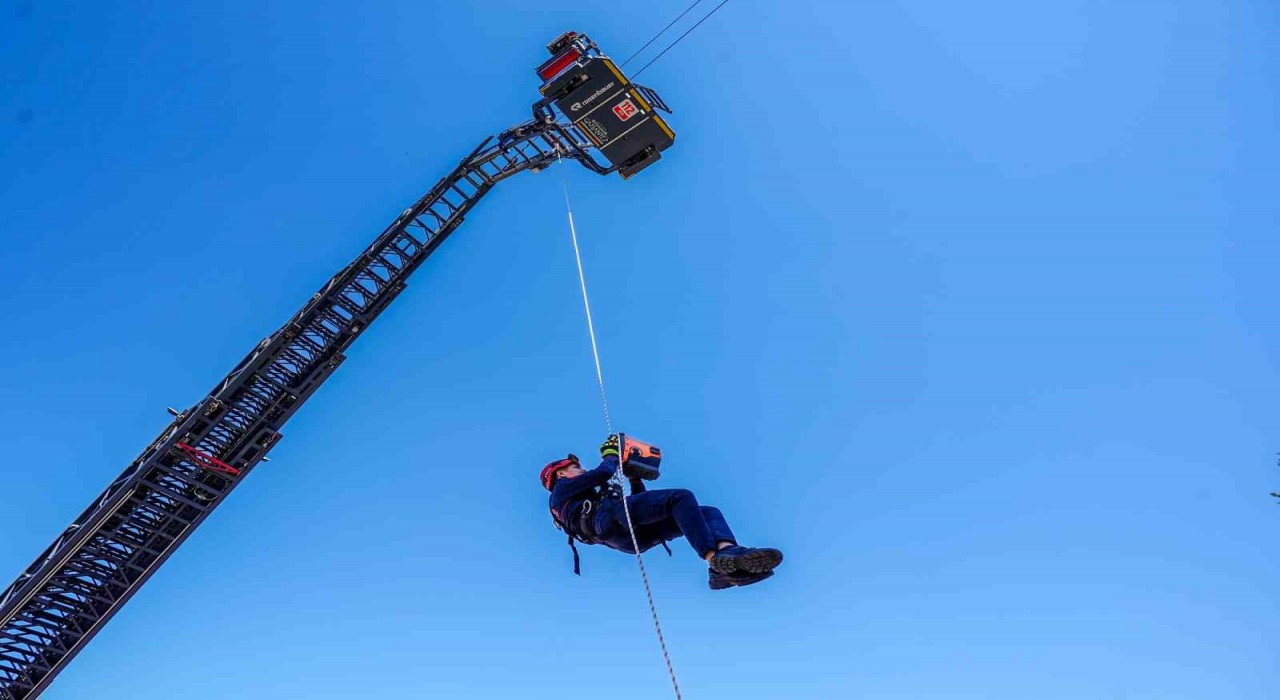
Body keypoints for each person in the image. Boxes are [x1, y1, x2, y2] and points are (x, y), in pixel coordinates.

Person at [541, 435, 784, 590]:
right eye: (576, 467)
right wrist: (611, 454)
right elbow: (604, 472)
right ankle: (712, 557)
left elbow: (636, 504)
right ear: (561, 474)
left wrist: (634, 478)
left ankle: (724, 557)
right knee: (680, 497)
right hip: (611, 521)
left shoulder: (578, 498)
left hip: (626, 537)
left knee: (707, 512)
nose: (581, 469)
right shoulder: (561, 490)